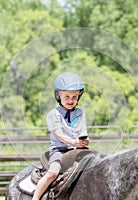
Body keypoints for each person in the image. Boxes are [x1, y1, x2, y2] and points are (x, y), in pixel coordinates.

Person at [32, 72, 89, 200]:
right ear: (59, 96)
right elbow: (59, 135)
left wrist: (85, 140)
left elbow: (83, 131)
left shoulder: (80, 112)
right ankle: (35, 197)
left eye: (74, 97)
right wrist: (73, 143)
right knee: (53, 173)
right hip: (59, 150)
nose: (71, 100)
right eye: (67, 96)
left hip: (77, 150)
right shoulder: (54, 114)